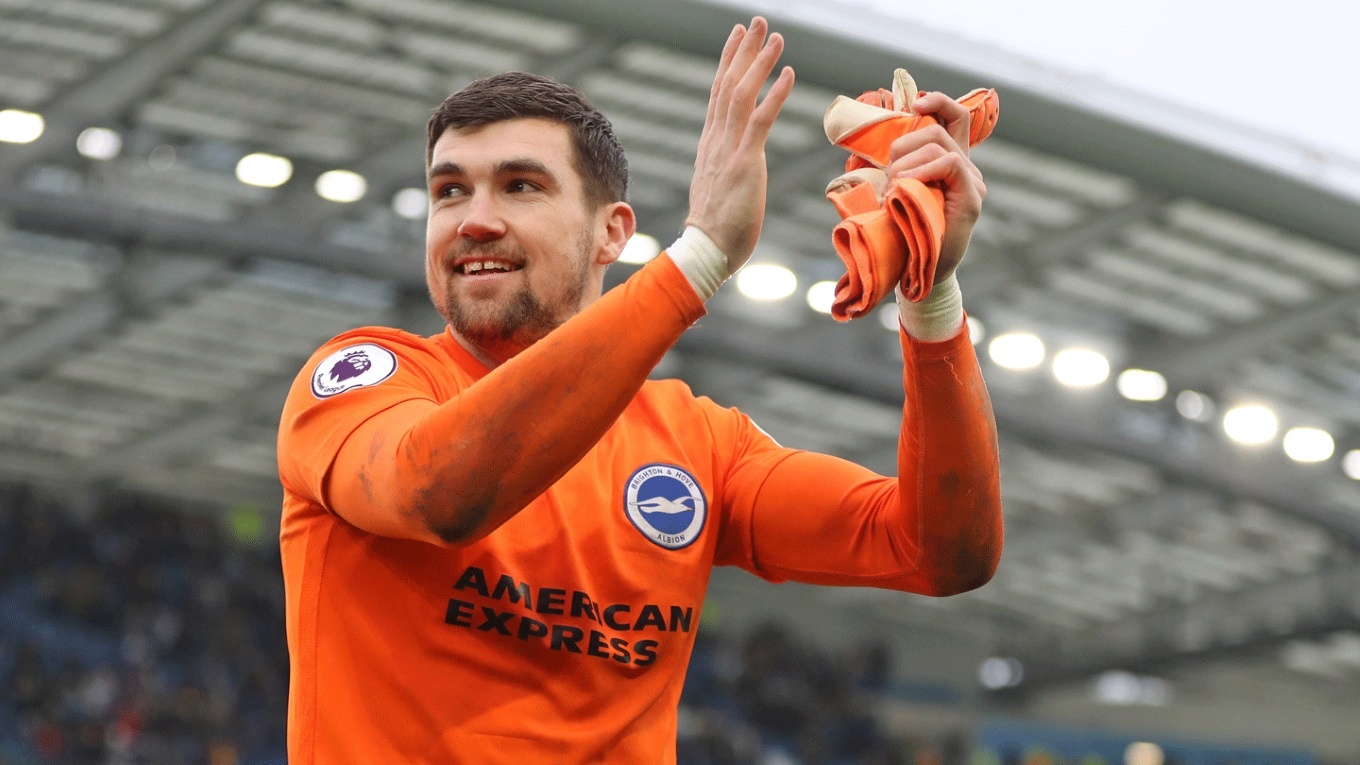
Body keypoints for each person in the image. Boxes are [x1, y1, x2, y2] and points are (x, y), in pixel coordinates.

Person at [276, 16, 1002, 765]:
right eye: (449, 191)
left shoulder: (699, 444)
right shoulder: (364, 381)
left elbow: (939, 550)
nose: (476, 220)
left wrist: (932, 292)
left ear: (612, 233)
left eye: (520, 186)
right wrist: (702, 257)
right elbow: (438, 489)